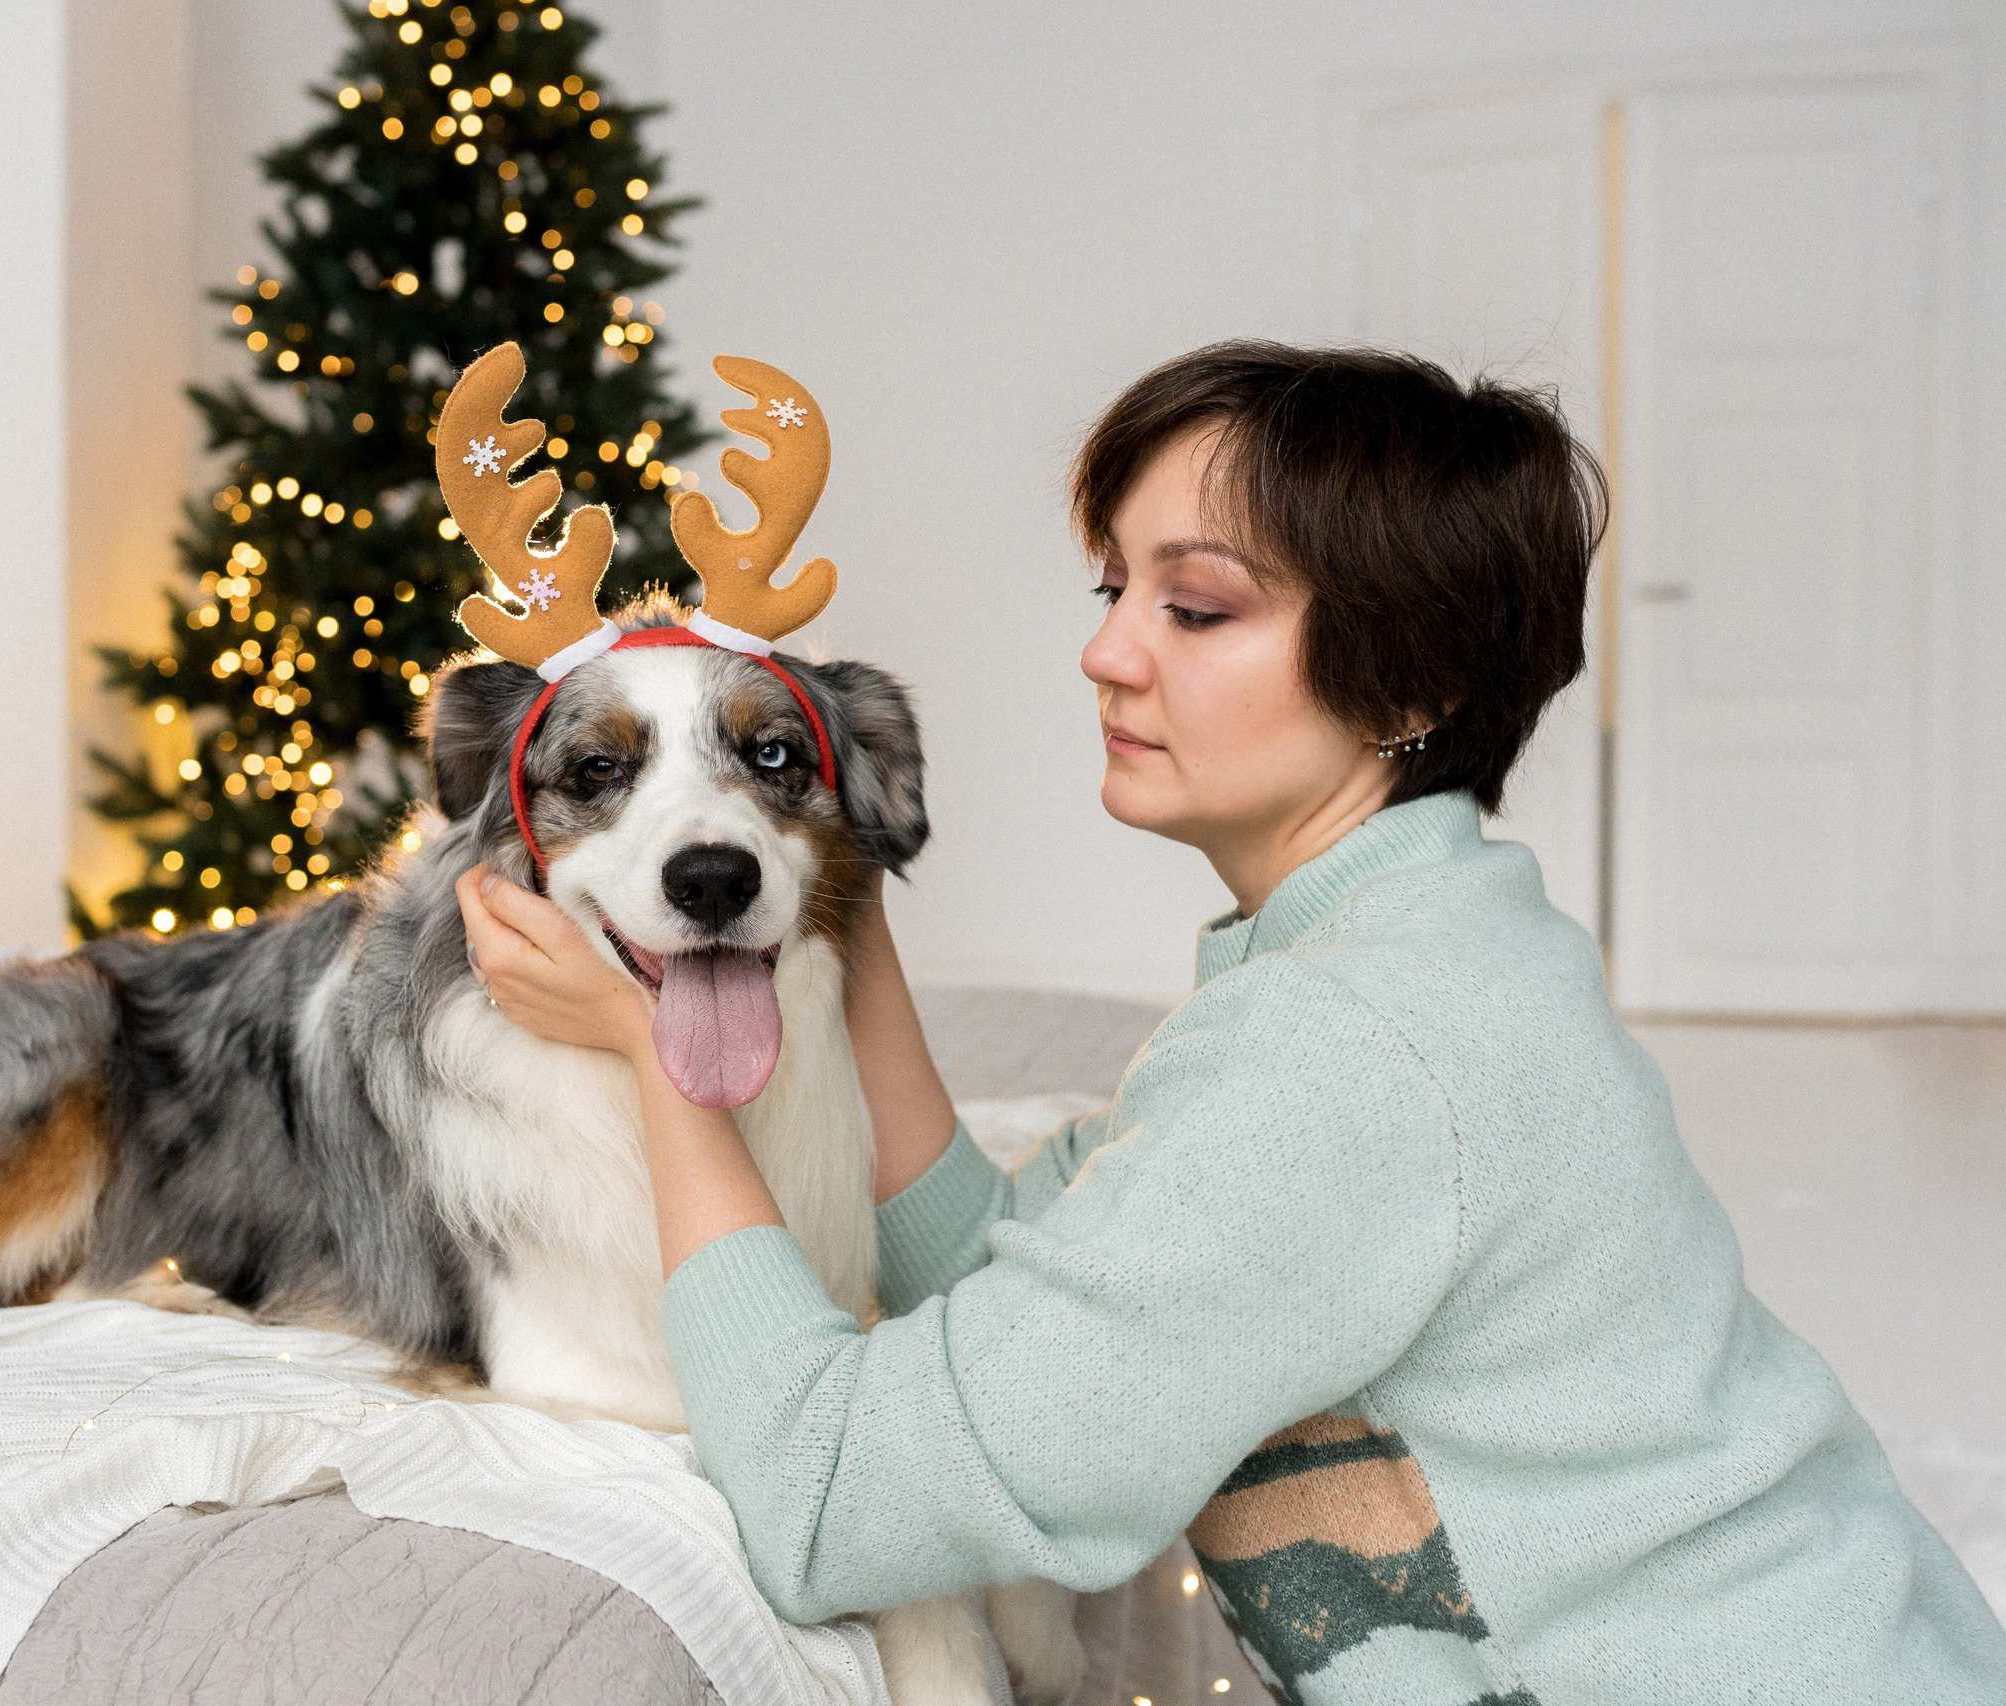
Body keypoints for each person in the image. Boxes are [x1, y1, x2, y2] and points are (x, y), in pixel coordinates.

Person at [455, 342, 2006, 1702]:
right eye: (1112, 587)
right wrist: (806, 887)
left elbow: (830, 1496)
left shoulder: (1343, 1058)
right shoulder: (1420, 947)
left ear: (1416, 675)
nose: (1107, 649)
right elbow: (1002, 1268)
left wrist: (646, 1059)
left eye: (1195, 606)